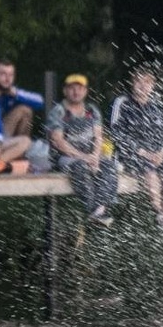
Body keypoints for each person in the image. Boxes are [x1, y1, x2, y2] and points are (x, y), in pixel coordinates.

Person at [109, 67, 163, 227]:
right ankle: (160, 212)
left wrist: (162, 152)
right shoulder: (122, 103)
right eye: (139, 81)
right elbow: (116, 134)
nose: (143, 85)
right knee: (150, 172)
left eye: (147, 82)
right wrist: (144, 153)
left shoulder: (157, 108)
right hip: (133, 155)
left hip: (158, 155)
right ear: (133, 82)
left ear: (153, 85)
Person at [47, 73, 117, 225]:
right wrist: (84, 158)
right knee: (79, 166)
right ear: (65, 91)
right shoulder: (58, 112)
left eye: (80, 88)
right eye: (72, 88)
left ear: (85, 91)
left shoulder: (92, 110)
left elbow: (99, 137)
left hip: (90, 157)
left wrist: (96, 157)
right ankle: (93, 210)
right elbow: (59, 142)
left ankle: (99, 210)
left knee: (110, 166)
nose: (76, 92)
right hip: (66, 158)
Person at [0, 59, 45, 141]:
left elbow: (41, 102)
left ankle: (21, 150)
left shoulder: (14, 93)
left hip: (7, 136)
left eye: (11, 75)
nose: (7, 79)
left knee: (25, 110)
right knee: (23, 110)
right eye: (3, 74)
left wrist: (17, 95)